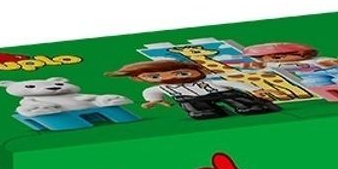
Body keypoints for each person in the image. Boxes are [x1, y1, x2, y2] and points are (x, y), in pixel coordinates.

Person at [107, 59, 278, 119]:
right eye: (154, 77)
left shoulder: (211, 80)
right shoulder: (165, 87)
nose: (170, 78)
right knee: (197, 110)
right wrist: (154, 101)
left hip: (221, 92)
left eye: (181, 73)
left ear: (199, 70)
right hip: (190, 99)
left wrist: (254, 90)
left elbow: (233, 84)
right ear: (139, 79)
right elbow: (151, 92)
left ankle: (252, 105)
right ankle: (205, 112)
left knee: (242, 101)